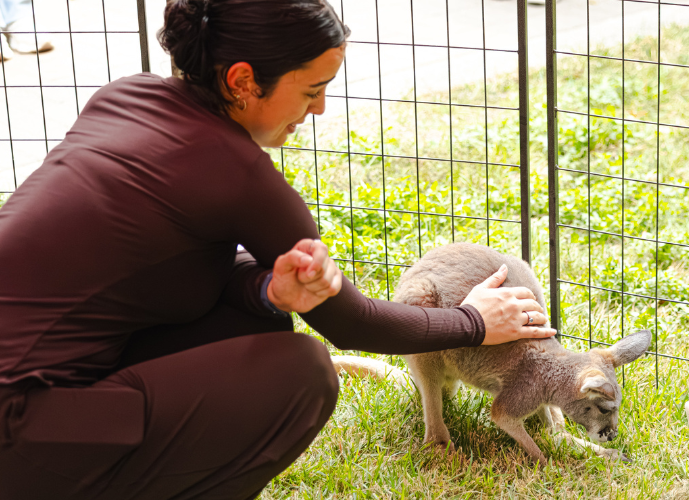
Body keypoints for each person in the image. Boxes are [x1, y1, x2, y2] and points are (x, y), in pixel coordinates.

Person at [0, 1, 555, 499]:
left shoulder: (126, 95)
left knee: (254, 327)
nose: (317, 111)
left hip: (36, 395)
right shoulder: (238, 172)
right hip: (20, 427)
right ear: (242, 80)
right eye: (312, 90)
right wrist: (472, 321)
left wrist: (268, 289)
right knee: (302, 374)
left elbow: (168, 265)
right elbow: (354, 325)